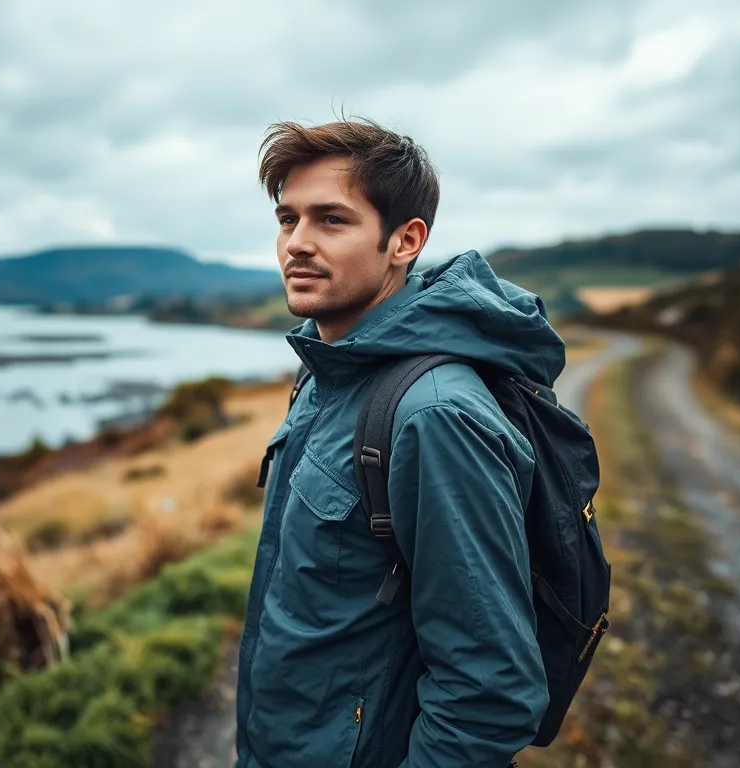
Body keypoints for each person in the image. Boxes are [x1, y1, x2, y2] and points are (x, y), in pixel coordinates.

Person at [234, 117, 565, 767]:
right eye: (286, 219)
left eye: (331, 220)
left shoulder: (432, 415)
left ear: (404, 241)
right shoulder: (328, 373)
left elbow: (490, 693)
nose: (296, 243)